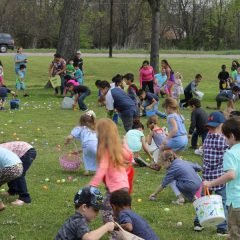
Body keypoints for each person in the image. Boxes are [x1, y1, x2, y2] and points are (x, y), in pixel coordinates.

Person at [89, 118, 132, 240]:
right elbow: (129, 157)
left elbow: (102, 168)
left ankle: (114, 235)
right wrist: (125, 144)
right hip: (124, 187)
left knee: (107, 213)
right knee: (121, 212)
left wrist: (93, 184)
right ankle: (125, 233)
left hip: (115, 189)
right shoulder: (117, 148)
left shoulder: (106, 151)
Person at [203, 117, 240, 239]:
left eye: (224, 136)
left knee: (235, 233)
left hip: (236, 202)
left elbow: (231, 174)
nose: (223, 139)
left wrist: (210, 184)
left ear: (232, 136)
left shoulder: (230, 153)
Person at [194, 111, 228, 235]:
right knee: (221, 202)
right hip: (217, 177)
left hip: (209, 177)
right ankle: (221, 228)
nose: (211, 129)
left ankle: (200, 222)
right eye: (209, 126)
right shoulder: (224, 139)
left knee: (204, 200)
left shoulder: (208, 136)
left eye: (213, 127)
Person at [65, 111, 97, 176]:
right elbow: (92, 144)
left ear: (81, 121)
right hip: (97, 145)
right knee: (97, 157)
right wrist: (78, 151)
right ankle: (100, 170)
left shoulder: (79, 128)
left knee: (86, 156)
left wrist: (66, 142)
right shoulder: (94, 129)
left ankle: (87, 171)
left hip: (86, 145)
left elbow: (69, 137)